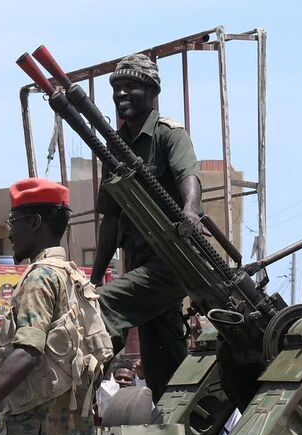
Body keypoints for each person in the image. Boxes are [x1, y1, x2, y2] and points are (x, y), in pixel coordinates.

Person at [0, 178, 112, 435]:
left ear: (35, 223)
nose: (9, 232)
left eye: (13, 222)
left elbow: (27, 352)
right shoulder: (74, 277)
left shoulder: (40, 277)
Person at [91, 52, 203, 400]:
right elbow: (110, 217)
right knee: (164, 365)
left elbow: (189, 175)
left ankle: (82, 384)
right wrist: (94, 277)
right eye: (117, 88)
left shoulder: (169, 134)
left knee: (101, 308)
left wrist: (190, 210)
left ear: (152, 91)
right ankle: (176, 425)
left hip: (172, 261)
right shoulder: (115, 144)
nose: (121, 94)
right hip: (143, 265)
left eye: (131, 87)